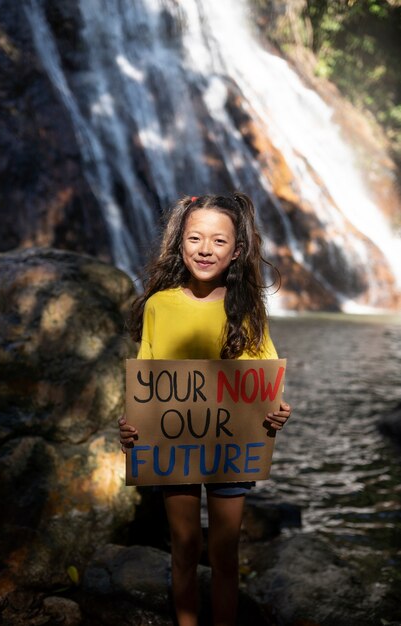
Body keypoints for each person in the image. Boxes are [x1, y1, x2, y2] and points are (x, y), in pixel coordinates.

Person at [119, 193, 292, 626]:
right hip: (172, 446)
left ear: (237, 251)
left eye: (218, 241)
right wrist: (130, 426)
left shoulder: (248, 309)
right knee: (183, 546)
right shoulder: (159, 305)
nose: (205, 248)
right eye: (194, 238)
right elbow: (147, 379)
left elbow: (264, 380)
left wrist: (276, 412)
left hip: (231, 450)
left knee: (224, 551)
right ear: (179, 244)